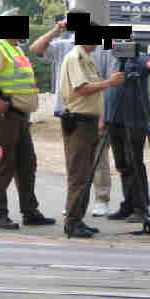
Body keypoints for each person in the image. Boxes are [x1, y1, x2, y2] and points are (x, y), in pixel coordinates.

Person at [29, 12, 114, 217]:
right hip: (72, 113)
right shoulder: (68, 49)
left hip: (92, 112)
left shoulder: (102, 50)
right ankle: (75, 205)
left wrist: (104, 115)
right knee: (75, 162)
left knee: (97, 158)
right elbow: (36, 49)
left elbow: (107, 86)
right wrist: (57, 30)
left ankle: (99, 198)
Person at [0, 29, 55, 230]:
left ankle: (30, 211)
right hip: (4, 115)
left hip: (18, 115)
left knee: (26, 164)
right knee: (2, 166)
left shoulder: (15, 49)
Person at [58, 39, 125, 238]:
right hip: (78, 122)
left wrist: (100, 119)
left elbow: (93, 94)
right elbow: (82, 88)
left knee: (86, 174)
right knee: (78, 174)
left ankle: (78, 218)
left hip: (89, 121)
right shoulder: (75, 58)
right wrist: (109, 83)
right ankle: (72, 221)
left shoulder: (87, 58)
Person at [104, 47, 150, 222]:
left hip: (133, 121)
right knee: (122, 164)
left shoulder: (139, 60)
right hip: (114, 120)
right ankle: (129, 203)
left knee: (134, 162)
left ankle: (141, 207)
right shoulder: (114, 61)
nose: (113, 46)